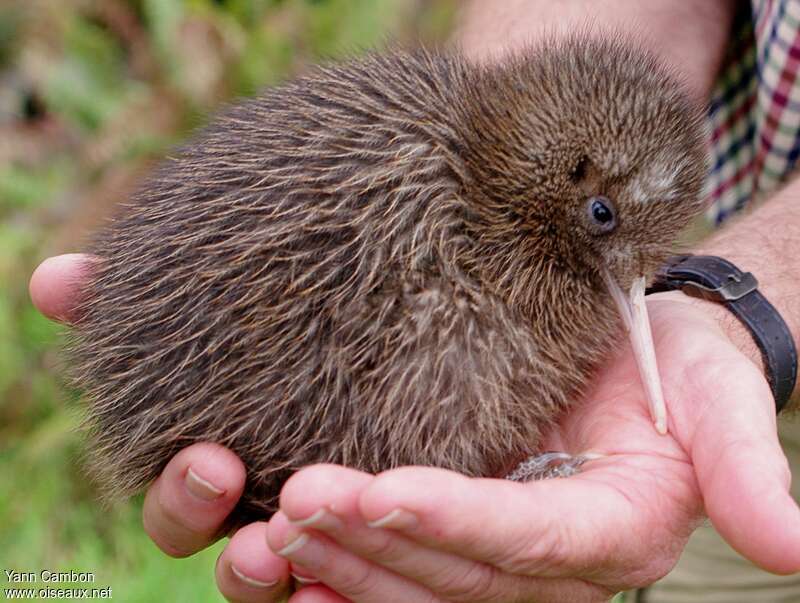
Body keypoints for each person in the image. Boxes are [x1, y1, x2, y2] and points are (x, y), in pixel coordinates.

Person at [28, 1, 800, 601]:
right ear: (568, 177)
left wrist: (739, 309)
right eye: (606, 225)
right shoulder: (494, 236)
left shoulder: (518, 212)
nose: (629, 275)